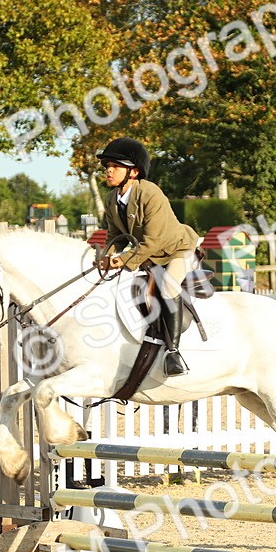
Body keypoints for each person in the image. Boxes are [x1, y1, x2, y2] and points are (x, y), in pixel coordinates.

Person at [96, 137, 199, 377]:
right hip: (150, 255)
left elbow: (154, 240)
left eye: (116, 166)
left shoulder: (150, 193)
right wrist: (106, 256)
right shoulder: (112, 200)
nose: (109, 170)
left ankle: (173, 353)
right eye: (108, 165)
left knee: (168, 286)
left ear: (133, 172)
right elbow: (116, 237)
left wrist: (123, 260)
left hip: (176, 250)